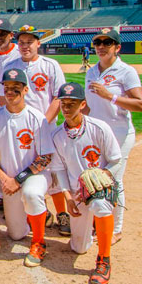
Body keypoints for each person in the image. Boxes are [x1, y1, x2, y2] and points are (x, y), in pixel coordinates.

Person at [0, 68, 54, 267]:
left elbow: (45, 157)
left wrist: (18, 179)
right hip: (6, 177)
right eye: (7, 88)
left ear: (26, 90)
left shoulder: (38, 119)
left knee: (31, 193)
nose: (10, 92)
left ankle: (39, 242)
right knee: (16, 233)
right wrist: (4, 178)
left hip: (32, 176)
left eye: (16, 88)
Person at [0, 24, 67, 233]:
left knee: (53, 172)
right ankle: (39, 211)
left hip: (47, 126)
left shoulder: (50, 65)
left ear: (38, 43)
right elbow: (2, 98)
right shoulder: (11, 65)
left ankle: (62, 214)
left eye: (30, 42)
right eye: (22, 42)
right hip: (19, 128)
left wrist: (42, 123)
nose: (25, 46)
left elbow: (58, 97)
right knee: (23, 168)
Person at [50, 82, 121, 284]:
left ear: (82, 105)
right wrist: (68, 197)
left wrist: (103, 176)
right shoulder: (56, 135)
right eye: (64, 103)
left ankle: (104, 258)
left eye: (72, 103)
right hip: (76, 194)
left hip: (99, 191)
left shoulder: (100, 128)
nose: (66, 108)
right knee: (78, 248)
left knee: (100, 205)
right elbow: (58, 169)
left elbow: (116, 160)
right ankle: (91, 228)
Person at [85, 28, 142, 244]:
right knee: (94, 178)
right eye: (97, 42)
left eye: (107, 43)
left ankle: (116, 229)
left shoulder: (126, 71)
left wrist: (111, 96)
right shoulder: (92, 71)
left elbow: (140, 103)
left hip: (119, 134)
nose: (101, 46)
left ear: (117, 47)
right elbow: (90, 106)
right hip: (96, 134)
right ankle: (96, 222)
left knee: (113, 180)